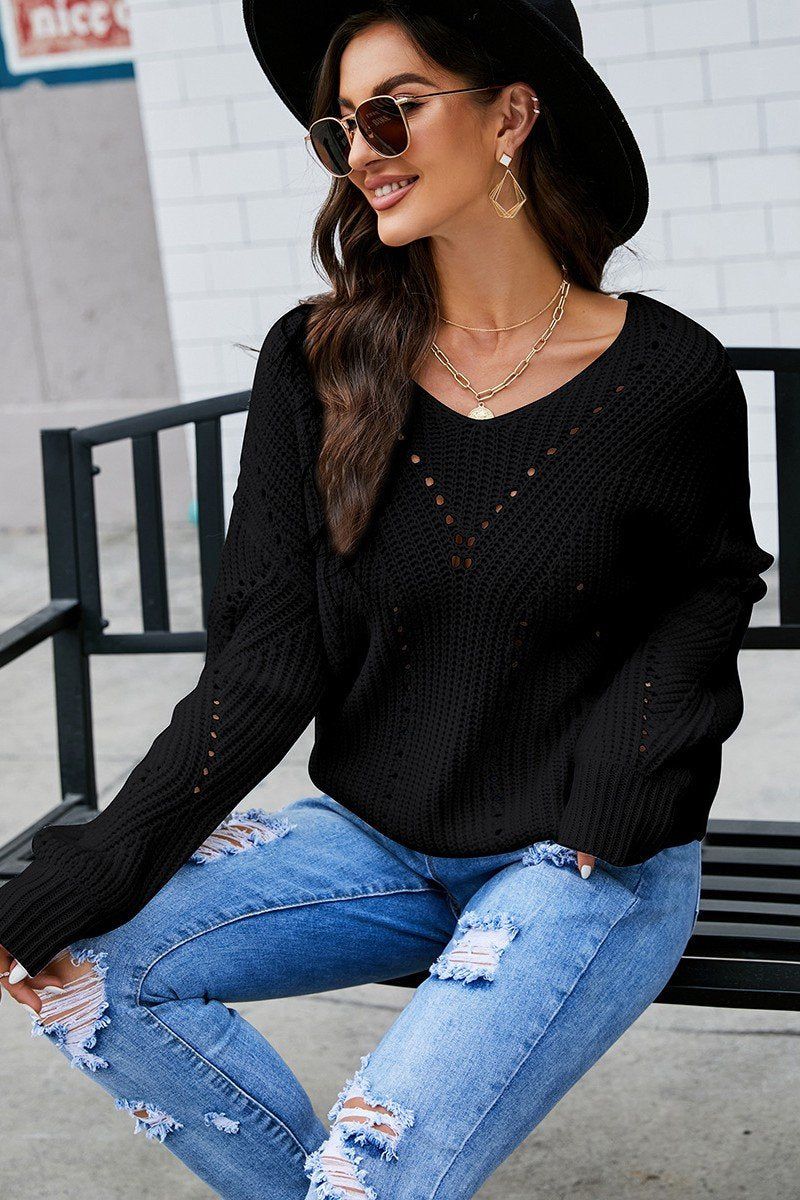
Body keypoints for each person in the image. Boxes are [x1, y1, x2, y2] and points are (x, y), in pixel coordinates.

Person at [0, 2, 774, 1197]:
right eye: (340, 128)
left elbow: (708, 587)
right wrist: (102, 861)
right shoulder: (317, 364)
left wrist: (623, 782)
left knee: (364, 1177)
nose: (359, 151)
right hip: (378, 838)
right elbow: (263, 662)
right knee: (83, 964)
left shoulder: (666, 375)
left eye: (392, 111)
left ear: (510, 116)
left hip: (582, 855)